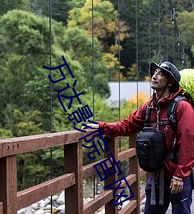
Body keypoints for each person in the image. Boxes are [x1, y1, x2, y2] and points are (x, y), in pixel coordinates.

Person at [82, 61, 194, 214]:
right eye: (154, 73)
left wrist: (180, 176)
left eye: (160, 74)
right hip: (157, 175)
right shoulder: (149, 107)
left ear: (171, 82)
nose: (154, 76)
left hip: (177, 175)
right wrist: (102, 127)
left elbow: (188, 142)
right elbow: (128, 125)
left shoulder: (182, 107)